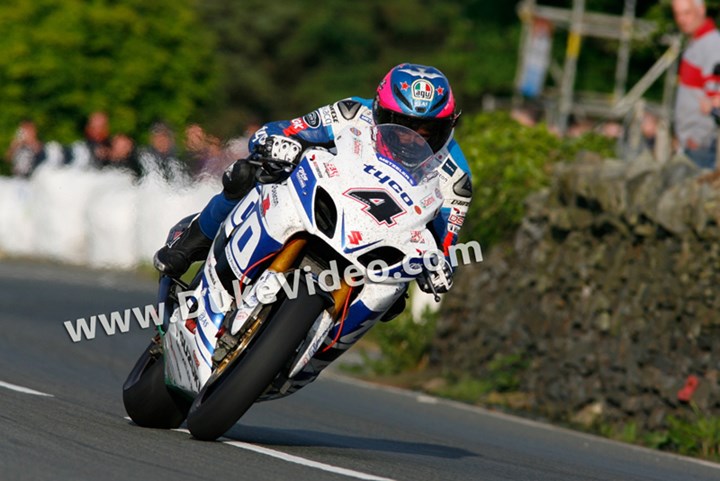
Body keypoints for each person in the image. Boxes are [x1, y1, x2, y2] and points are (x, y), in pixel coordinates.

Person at [154, 63, 473, 299]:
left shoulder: (456, 177)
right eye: (400, 124)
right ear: (377, 110)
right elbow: (287, 129)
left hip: (377, 236)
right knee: (247, 173)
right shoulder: (351, 112)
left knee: (395, 299)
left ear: (449, 125)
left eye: (427, 131)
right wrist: (274, 142)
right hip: (321, 192)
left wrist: (440, 265)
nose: (410, 139)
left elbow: (446, 243)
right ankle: (191, 241)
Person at [672, 0, 720, 169]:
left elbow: (716, 98)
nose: (681, 19)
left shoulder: (712, 45)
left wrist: (699, 137)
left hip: (703, 145)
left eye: (687, 12)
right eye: (677, 14)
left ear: (701, 10)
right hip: (691, 143)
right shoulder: (695, 44)